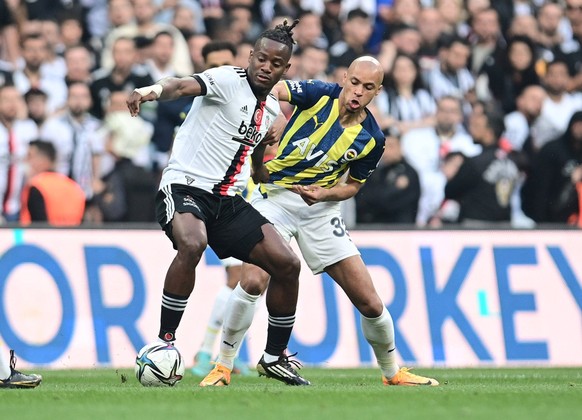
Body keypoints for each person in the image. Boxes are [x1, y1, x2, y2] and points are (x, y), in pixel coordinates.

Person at [200, 56, 439, 388]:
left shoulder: (372, 139)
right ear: (345, 78)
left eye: (367, 87)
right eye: (354, 82)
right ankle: (223, 366)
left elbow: (353, 187)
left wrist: (325, 196)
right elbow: (275, 90)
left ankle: (392, 372)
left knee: (369, 301)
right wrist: (273, 120)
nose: (357, 92)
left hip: (321, 211)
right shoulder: (318, 94)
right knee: (253, 280)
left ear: (378, 92)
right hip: (275, 198)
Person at [126, 20, 306, 384]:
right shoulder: (227, 79)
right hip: (185, 187)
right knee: (193, 242)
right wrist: (151, 90)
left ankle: (274, 356)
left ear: (286, 70)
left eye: (276, 64)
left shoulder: (272, 108)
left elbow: (253, 159)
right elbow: (180, 85)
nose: (266, 67)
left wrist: (263, 165)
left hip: (226, 200)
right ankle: (165, 342)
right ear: (251, 56)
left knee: (287, 264)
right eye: (262, 59)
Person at [187, 40, 249, 377]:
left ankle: (228, 353)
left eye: (229, 62)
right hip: (218, 199)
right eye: (216, 65)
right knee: (237, 276)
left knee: (248, 280)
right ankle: (206, 352)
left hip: (248, 195)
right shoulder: (201, 110)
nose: (225, 70)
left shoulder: (249, 101)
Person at [20, 140, 86, 225]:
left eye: (29, 156)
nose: (25, 160)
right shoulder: (73, 186)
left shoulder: (36, 186)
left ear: (44, 159)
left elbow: (38, 225)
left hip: (37, 237)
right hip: (72, 236)